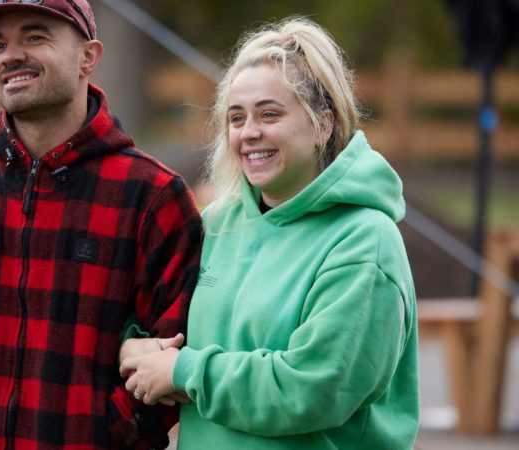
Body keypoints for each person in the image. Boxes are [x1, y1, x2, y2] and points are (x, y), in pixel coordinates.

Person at [0, 1, 202, 448]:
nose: (11, 56)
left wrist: (109, 432)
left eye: (34, 36)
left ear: (88, 56)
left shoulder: (153, 197)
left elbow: (175, 347)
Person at [120, 17, 419, 449]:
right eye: (236, 118)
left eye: (269, 114)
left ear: (323, 124)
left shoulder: (364, 242)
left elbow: (313, 389)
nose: (249, 133)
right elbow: (151, 318)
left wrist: (186, 372)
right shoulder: (216, 223)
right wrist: (133, 347)